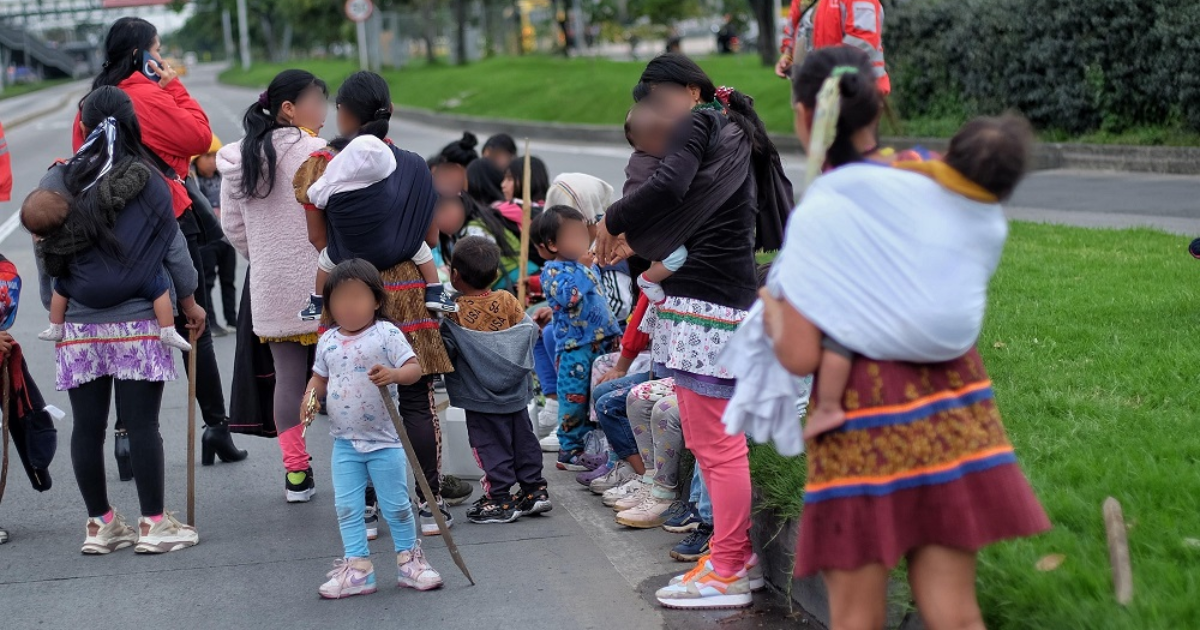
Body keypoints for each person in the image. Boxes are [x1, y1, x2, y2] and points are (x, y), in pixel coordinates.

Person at [757, 46, 1050, 629]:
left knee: (857, 618)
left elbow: (801, 352)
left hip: (860, 422)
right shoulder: (937, 181)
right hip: (953, 407)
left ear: (804, 117)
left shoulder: (823, 210)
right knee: (956, 613)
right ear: (879, 106)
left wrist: (769, 310)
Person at [594, 53, 790, 609]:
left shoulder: (702, 120)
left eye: (658, 101)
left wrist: (613, 219)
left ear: (688, 89)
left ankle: (728, 565)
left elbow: (672, 186)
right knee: (711, 443)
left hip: (709, 309)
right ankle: (735, 559)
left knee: (718, 447)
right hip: (705, 306)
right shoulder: (721, 124)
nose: (656, 118)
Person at [292, 71, 466, 527]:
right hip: (409, 291)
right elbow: (429, 235)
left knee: (354, 395)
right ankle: (430, 501)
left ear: (344, 115)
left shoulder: (320, 166)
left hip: (349, 289)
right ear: (391, 111)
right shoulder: (413, 165)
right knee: (415, 398)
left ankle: (367, 505)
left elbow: (318, 238)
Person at [37, 86, 203, 554]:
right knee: (142, 424)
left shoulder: (57, 182)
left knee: (87, 428)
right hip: (139, 320)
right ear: (134, 127)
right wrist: (189, 303)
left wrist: (60, 307)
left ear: (84, 128)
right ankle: (153, 524)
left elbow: (45, 252)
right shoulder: (149, 179)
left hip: (80, 325)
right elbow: (174, 250)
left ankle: (101, 524)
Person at [800, 113, 1035, 439]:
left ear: (952, 154)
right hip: (959, 338)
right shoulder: (994, 224)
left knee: (841, 331)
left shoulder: (922, 184)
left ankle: (827, 407)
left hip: (910, 329)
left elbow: (897, 171)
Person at [80, 16, 245, 466]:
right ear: (141, 54)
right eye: (157, 47)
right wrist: (174, 87)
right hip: (166, 214)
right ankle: (216, 427)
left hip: (109, 228)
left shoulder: (91, 102)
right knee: (193, 321)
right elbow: (197, 137)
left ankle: (125, 438)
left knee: (124, 327)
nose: (162, 56)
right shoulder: (150, 93)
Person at [219, 69, 330, 502]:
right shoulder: (320, 153)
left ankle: (296, 475)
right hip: (328, 282)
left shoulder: (240, 157)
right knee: (342, 374)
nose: (322, 112)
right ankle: (361, 477)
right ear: (289, 108)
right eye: (316, 102)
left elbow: (231, 227)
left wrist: (264, 257)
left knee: (287, 379)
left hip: (271, 284)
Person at [304, 259, 443, 599]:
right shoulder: (328, 340)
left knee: (396, 505)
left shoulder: (386, 334)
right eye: (339, 299)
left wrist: (394, 375)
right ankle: (357, 569)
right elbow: (319, 377)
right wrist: (309, 399)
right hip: (345, 443)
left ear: (376, 301)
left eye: (356, 297)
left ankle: (410, 562)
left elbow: (412, 368)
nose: (348, 306)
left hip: (385, 441)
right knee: (347, 506)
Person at [440, 236, 551, 524]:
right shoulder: (507, 299)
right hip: (515, 392)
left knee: (489, 446)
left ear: (455, 275)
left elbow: (447, 352)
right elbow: (528, 332)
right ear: (496, 273)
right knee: (524, 440)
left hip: (479, 397)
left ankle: (499, 499)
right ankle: (535, 490)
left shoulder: (453, 312)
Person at [298, 133, 456, 319]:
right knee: (420, 248)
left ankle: (318, 303)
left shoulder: (332, 185)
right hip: (394, 249)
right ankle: (435, 291)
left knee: (325, 260)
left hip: (348, 252)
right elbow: (431, 240)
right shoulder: (387, 188)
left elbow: (315, 198)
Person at [24, 179, 191, 352]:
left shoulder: (59, 232)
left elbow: (48, 270)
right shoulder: (138, 185)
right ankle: (168, 329)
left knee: (60, 287)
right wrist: (189, 302)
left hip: (82, 290)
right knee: (159, 289)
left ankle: (56, 327)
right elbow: (176, 252)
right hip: (133, 285)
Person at [532, 205, 622, 471]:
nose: (582, 242)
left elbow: (599, 301)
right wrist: (583, 270)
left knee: (595, 395)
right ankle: (569, 449)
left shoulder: (586, 266)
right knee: (574, 397)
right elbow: (568, 297)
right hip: (575, 347)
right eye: (572, 236)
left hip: (603, 340)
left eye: (583, 235)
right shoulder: (553, 271)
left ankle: (593, 447)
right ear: (552, 244)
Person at [622, 104, 688, 304]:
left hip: (649, 224)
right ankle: (648, 280)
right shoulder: (651, 165)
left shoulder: (644, 158)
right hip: (648, 225)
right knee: (678, 256)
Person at [776, 0, 891, 97]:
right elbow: (793, 26)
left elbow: (862, 41)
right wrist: (788, 55)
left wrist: (819, 68)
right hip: (818, 94)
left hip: (855, 94)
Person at [193, 135, 238, 336]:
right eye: (206, 156)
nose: (211, 161)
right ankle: (211, 321)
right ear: (196, 159)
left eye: (214, 156)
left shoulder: (223, 177)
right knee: (208, 282)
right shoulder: (193, 181)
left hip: (226, 238)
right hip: (206, 240)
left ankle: (232, 319)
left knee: (228, 280)